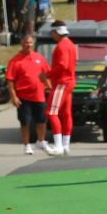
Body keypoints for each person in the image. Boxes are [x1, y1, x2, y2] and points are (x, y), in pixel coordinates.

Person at [6, 33, 52, 155]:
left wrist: (49, 85)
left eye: (30, 43)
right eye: (26, 43)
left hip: (39, 95)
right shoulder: (15, 61)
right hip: (23, 96)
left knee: (42, 120)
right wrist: (13, 96)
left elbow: (45, 74)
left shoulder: (39, 57)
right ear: (22, 44)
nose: (28, 45)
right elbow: (10, 80)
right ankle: (26, 145)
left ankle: (41, 141)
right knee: (25, 122)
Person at [45, 20, 78, 154]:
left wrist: (48, 74)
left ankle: (58, 146)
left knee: (51, 112)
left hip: (62, 82)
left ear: (56, 32)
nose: (52, 35)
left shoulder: (61, 46)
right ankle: (65, 144)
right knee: (66, 113)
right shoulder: (70, 44)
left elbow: (62, 65)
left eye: (52, 33)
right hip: (69, 81)